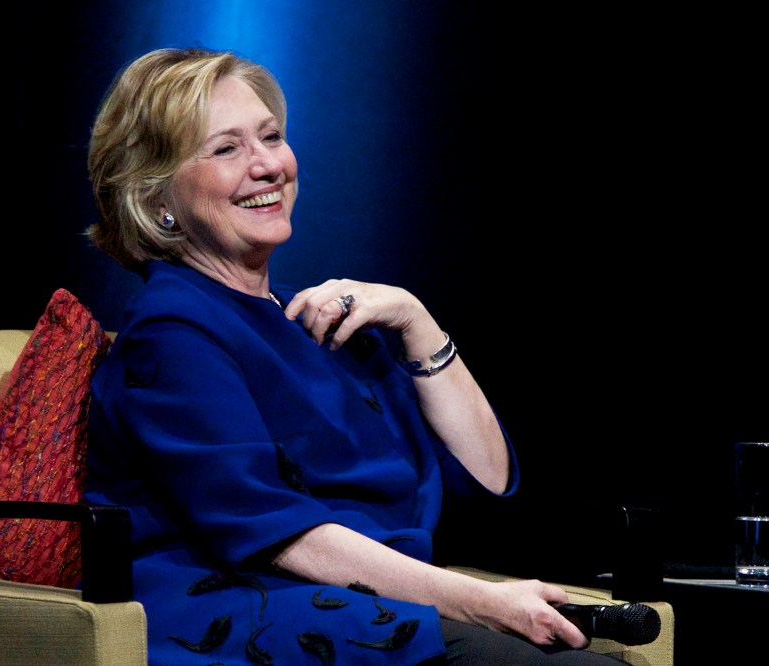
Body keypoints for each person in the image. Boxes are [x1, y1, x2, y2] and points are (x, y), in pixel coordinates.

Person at [83, 47, 625, 665]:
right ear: (157, 199)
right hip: (250, 604)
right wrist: (479, 600)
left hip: (374, 596)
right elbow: (274, 533)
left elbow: (488, 478)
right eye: (226, 149)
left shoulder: (319, 322)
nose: (267, 166)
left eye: (271, 137)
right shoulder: (173, 331)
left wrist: (418, 321)